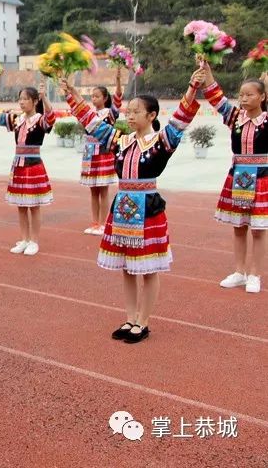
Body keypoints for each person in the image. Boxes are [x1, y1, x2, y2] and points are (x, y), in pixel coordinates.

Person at [59, 69, 203, 343]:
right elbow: (90, 120)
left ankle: (144, 322)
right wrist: (71, 93)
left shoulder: (163, 141)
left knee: (148, 268)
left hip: (148, 209)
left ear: (152, 116)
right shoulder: (120, 142)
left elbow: (183, 117)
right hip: (123, 208)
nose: (130, 114)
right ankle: (130, 317)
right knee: (126, 266)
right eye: (129, 110)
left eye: (137, 111)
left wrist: (193, 86)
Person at [200, 65, 267, 294]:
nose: (244, 98)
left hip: (262, 178)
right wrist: (206, 71)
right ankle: (239, 272)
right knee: (239, 227)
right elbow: (215, 97)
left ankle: (255, 274)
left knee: (258, 230)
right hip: (238, 176)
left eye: (250, 94)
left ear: (262, 97)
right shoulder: (235, 117)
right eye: (241, 94)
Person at [0, 83, 55, 255]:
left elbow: (51, 118)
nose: (21, 102)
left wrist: (46, 98)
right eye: (20, 99)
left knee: (34, 205)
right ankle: (24, 239)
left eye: (25, 99)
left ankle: (34, 241)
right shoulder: (17, 119)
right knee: (21, 205)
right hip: (18, 165)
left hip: (33, 165)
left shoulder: (40, 120)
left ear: (35, 101)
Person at [78, 71, 123, 235]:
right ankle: (95, 223)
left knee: (103, 190)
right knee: (93, 190)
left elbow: (118, 98)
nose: (94, 99)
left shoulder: (110, 114)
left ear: (105, 98)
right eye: (92, 96)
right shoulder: (90, 115)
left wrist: (117, 80)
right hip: (90, 154)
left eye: (97, 96)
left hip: (104, 154)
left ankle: (104, 224)